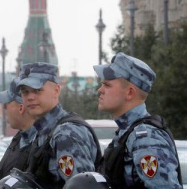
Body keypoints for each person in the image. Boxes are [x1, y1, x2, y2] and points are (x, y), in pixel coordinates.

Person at [94, 52, 182, 188]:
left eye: (107, 85)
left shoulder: (146, 139)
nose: (100, 90)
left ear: (129, 92)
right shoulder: (127, 133)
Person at [16, 62, 101, 188]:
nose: (30, 97)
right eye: (25, 92)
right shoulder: (43, 132)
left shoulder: (66, 134)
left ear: (56, 91)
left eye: (37, 90)